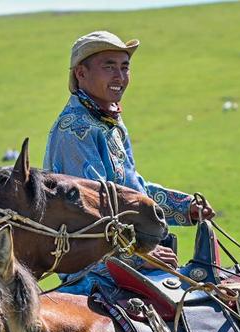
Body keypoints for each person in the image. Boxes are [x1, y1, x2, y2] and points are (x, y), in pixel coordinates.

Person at [43, 30, 214, 293]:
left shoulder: (109, 122)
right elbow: (90, 211)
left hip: (127, 260)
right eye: (109, 67)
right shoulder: (76, 129)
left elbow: (131, 191)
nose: (119, 77)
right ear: (81, 73)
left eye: (124, 68)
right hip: (94, 272)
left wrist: (184, 207)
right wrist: (139, 257)